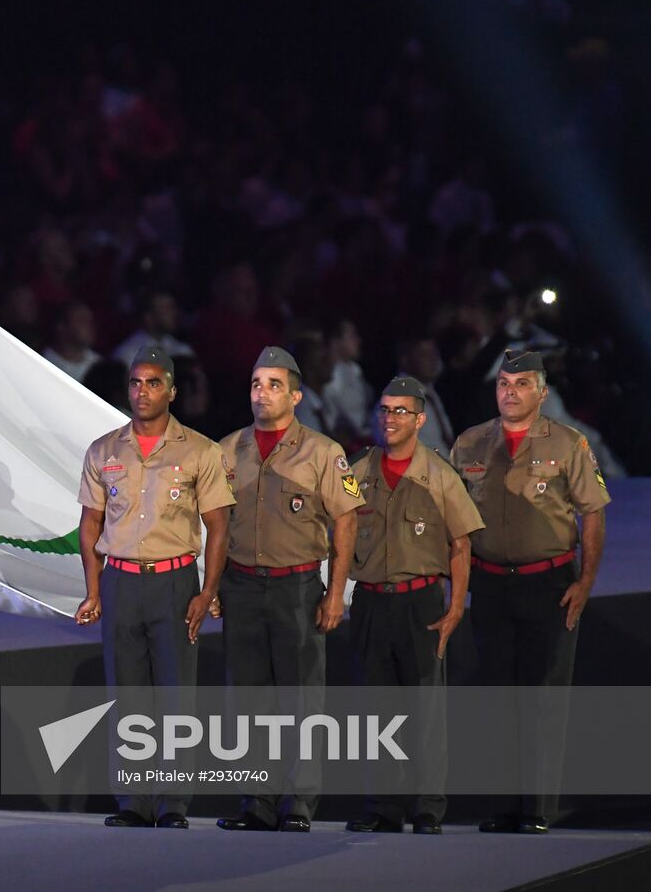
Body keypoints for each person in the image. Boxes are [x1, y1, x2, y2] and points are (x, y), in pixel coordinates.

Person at [450, 349, 610, 834]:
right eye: (503, 383)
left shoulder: (568, 443)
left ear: (542, 392)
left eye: (521, 384)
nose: (510, 393)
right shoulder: (472, 443)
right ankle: (503, 805)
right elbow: (451, 514)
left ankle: (538, 808)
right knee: (499, 696)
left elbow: (593, 514)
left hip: (549, 584)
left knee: (542, 697)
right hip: (492, 584)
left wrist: (586, 581)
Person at [76, 345, 235, 829]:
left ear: (171, 390)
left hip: (174, 581)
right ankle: (132, 801)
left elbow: (219, 526)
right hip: (122, 579)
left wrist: (208, 590)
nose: (142, 392)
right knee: (127, 694)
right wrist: (94, 588)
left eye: (152, 383)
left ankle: (172, 803)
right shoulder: (104, 450)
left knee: (173, 694)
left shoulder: (200, 450)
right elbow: (89, 526)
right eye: (135, 383)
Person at [215, 346, 364, 833]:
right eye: (257, 383)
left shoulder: (324, 452)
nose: (262, 392)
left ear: (296, 396)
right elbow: (211, 526)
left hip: (297, 586)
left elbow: (346, 522)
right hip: (240, 585)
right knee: (248, 699)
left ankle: (297, 801)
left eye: (274, 384)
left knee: (300, 699)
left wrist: (336, 591)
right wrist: (209, 586)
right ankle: (257, 799)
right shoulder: (226, 449)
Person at [345, 377, 483, 836]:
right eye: (385, 410)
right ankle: (382, 805)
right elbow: (337, 534)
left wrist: (456, 605)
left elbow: (461, 544)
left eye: (401, 411)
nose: (390, 418)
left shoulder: (439, 474)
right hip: (370, 602)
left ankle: (427, 806)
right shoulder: (359, 470)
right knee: (376, 711)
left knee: (425, 710)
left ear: (420, 420)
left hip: (420, 601)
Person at [43, 301, 101, 383]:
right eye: (82, 320)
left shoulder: (98, 365)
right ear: (61, 326)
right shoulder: (42, 362)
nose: (90, 325)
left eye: (90, 320)